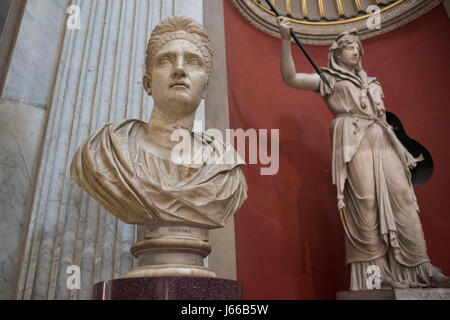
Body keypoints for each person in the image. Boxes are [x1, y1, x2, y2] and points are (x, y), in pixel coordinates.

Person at [277, 16, 449, 290]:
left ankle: (421, 267)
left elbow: (384, 118)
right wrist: (286, 39)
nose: (356, 51)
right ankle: (375, 276)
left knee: (404, 198)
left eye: (358, 47)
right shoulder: (328, 78)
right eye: (349, 46)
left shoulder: (373, 81)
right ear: (337, 52)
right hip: (352, 138)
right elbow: (290, 78)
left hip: (382, 138)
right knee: (365, 202)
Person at [71, 16, 247, 229]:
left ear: (205, 89)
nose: (179, 69)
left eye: (192, 61)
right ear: (147, 83)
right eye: (166, 60)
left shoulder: (224, 170)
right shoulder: (106, 151)